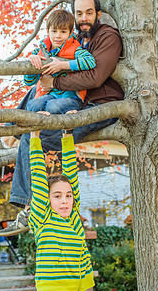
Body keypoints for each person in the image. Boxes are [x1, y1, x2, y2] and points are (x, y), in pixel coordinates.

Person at [0, 0, 124, 237]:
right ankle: (11, 132)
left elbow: (95, 76)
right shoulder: (75, 38)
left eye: (89, 13)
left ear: (99, 14)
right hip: (77, 104)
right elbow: (43, 79)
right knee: (34, 117)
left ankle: (30, 206)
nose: (84, 18)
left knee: (33, 137)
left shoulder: (108, 36)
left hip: (100, 107)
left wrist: (55, 81)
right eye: (79, 14)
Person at [28, 114, 94, 291]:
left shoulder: (73, 216)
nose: (65, 201)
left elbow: (72, 172)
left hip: (85, 285)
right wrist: (35, 135)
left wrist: (67, 133)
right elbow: (38, 178)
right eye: (57, 196)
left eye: (68, 195)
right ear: (47, 199)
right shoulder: (42, 217)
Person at [24, 9, 96, 115]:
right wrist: (32, 64)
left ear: (70, 32)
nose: (58, 35)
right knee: (33, 104)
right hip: (49, 94)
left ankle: (67, 120)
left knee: (53, 106)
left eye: (63, 31)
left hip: (71, 96)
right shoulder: (40, 51)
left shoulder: (75, 48)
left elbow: (90, 61)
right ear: (48, 31)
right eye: (54, 31)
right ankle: (39, 125)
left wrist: (62, 65)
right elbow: (29, 82)